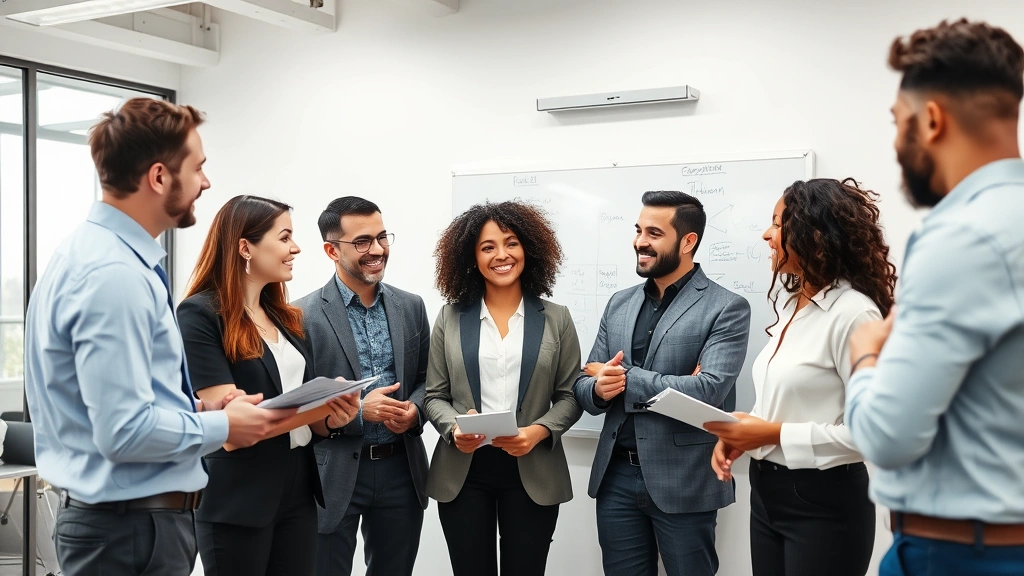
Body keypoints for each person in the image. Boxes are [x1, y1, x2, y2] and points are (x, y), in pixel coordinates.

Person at [23, 98, 292, 576]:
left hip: (131, 526)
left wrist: (197, 412)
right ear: (159, 177)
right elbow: (122, 432)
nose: (206, 183)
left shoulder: (101, 257)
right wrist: (224, 426)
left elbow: (119, 407)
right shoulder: (113, 274)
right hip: (128, 532)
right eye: (198, 168)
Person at [845, 18, 1024, 575]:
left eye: (900, 124)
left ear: (931, 120)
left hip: (958, 555)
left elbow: (886, 437)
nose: (899, 143)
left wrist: (867, 354)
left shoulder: (961, 236)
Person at [704, 178, 896, 576]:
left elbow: (872, 435)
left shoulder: (853, 314)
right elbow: (789, 399)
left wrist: (771, 434)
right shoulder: (794, 306)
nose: (766, 234)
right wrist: (745, 430)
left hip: (824, 500)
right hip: (768, 490)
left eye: (777, 224)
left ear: (815, 234)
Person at [177, 194, 360, 576]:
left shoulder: (285, 318)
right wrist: (316, 409)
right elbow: (228, 427)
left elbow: (305, 415)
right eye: (285, 237)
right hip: (239, 497)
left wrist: (332, 417)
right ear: (245, 246)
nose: (295, 248)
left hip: (298, 492)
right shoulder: (199, 314)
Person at [573, 190, 751, 576]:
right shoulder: (618, 303)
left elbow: (708, 391)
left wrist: (623, 378)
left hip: (685, 477)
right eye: (638, 230)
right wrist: (599, 390)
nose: (640, 241)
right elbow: (585, 382)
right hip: (616, 477)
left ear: (688, 242)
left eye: (654, 233)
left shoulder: (726, 307)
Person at [424, 200, 583, 576]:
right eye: (487, 247)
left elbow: (569, 395)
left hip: (533, 467)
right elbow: (434, 396)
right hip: (464, 471)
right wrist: (454, 427)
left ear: (528, 248)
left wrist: (537, 431)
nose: (501, 255)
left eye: (511, 243)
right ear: (472, 257)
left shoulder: (556, 318)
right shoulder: (449, 316)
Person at [294, 197, 430, 576]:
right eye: (362, 241)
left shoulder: (411, 306)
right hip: (332, 471)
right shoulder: (300, 315)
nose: (377, 250)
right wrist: (358, 413)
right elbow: (297, 405)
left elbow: (425, 380)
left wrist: (415, 410)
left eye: (382, 237)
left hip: (401, 469)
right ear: (331, 250)